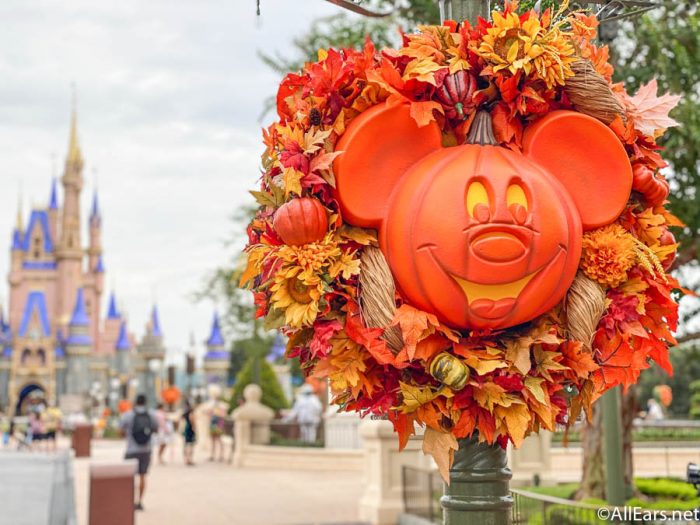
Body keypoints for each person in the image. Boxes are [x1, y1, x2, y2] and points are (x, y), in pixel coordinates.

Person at [120, 394, 158, 511]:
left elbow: (120, 430)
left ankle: (129, 500)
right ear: (145, 402)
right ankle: (139, 501)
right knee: (142, 476)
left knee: (129, 477)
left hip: (131, 449)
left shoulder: (128, 415)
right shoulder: (151, 415)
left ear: (135, 402)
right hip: (146, 450)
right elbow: (155, 429)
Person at [181, 399, 196, 466]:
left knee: (186, 444)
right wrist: (194, 427)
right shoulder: (191, 412)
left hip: (186, 428)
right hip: (190, 429)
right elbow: (192, 420)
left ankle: (186, 459)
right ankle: (189, 459)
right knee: (190, 444)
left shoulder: (184, 412)